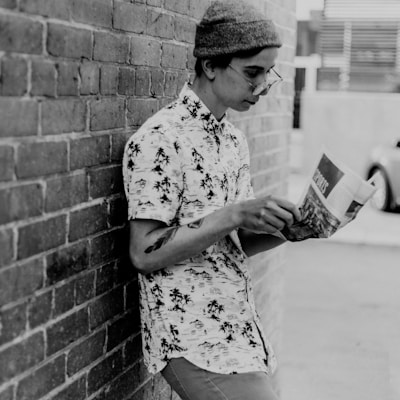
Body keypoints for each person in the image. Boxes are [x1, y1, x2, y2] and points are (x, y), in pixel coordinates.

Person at [122, 1, 301, 399]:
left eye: (268, 72)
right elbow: (144, 252)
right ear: (210, 65)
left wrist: (290, 230)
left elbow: (229, 243)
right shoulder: (159, 140)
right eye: (252, 72)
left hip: (239, 333)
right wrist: (235, 212)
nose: (261, 86)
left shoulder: (233, 140)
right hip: (193, 340)